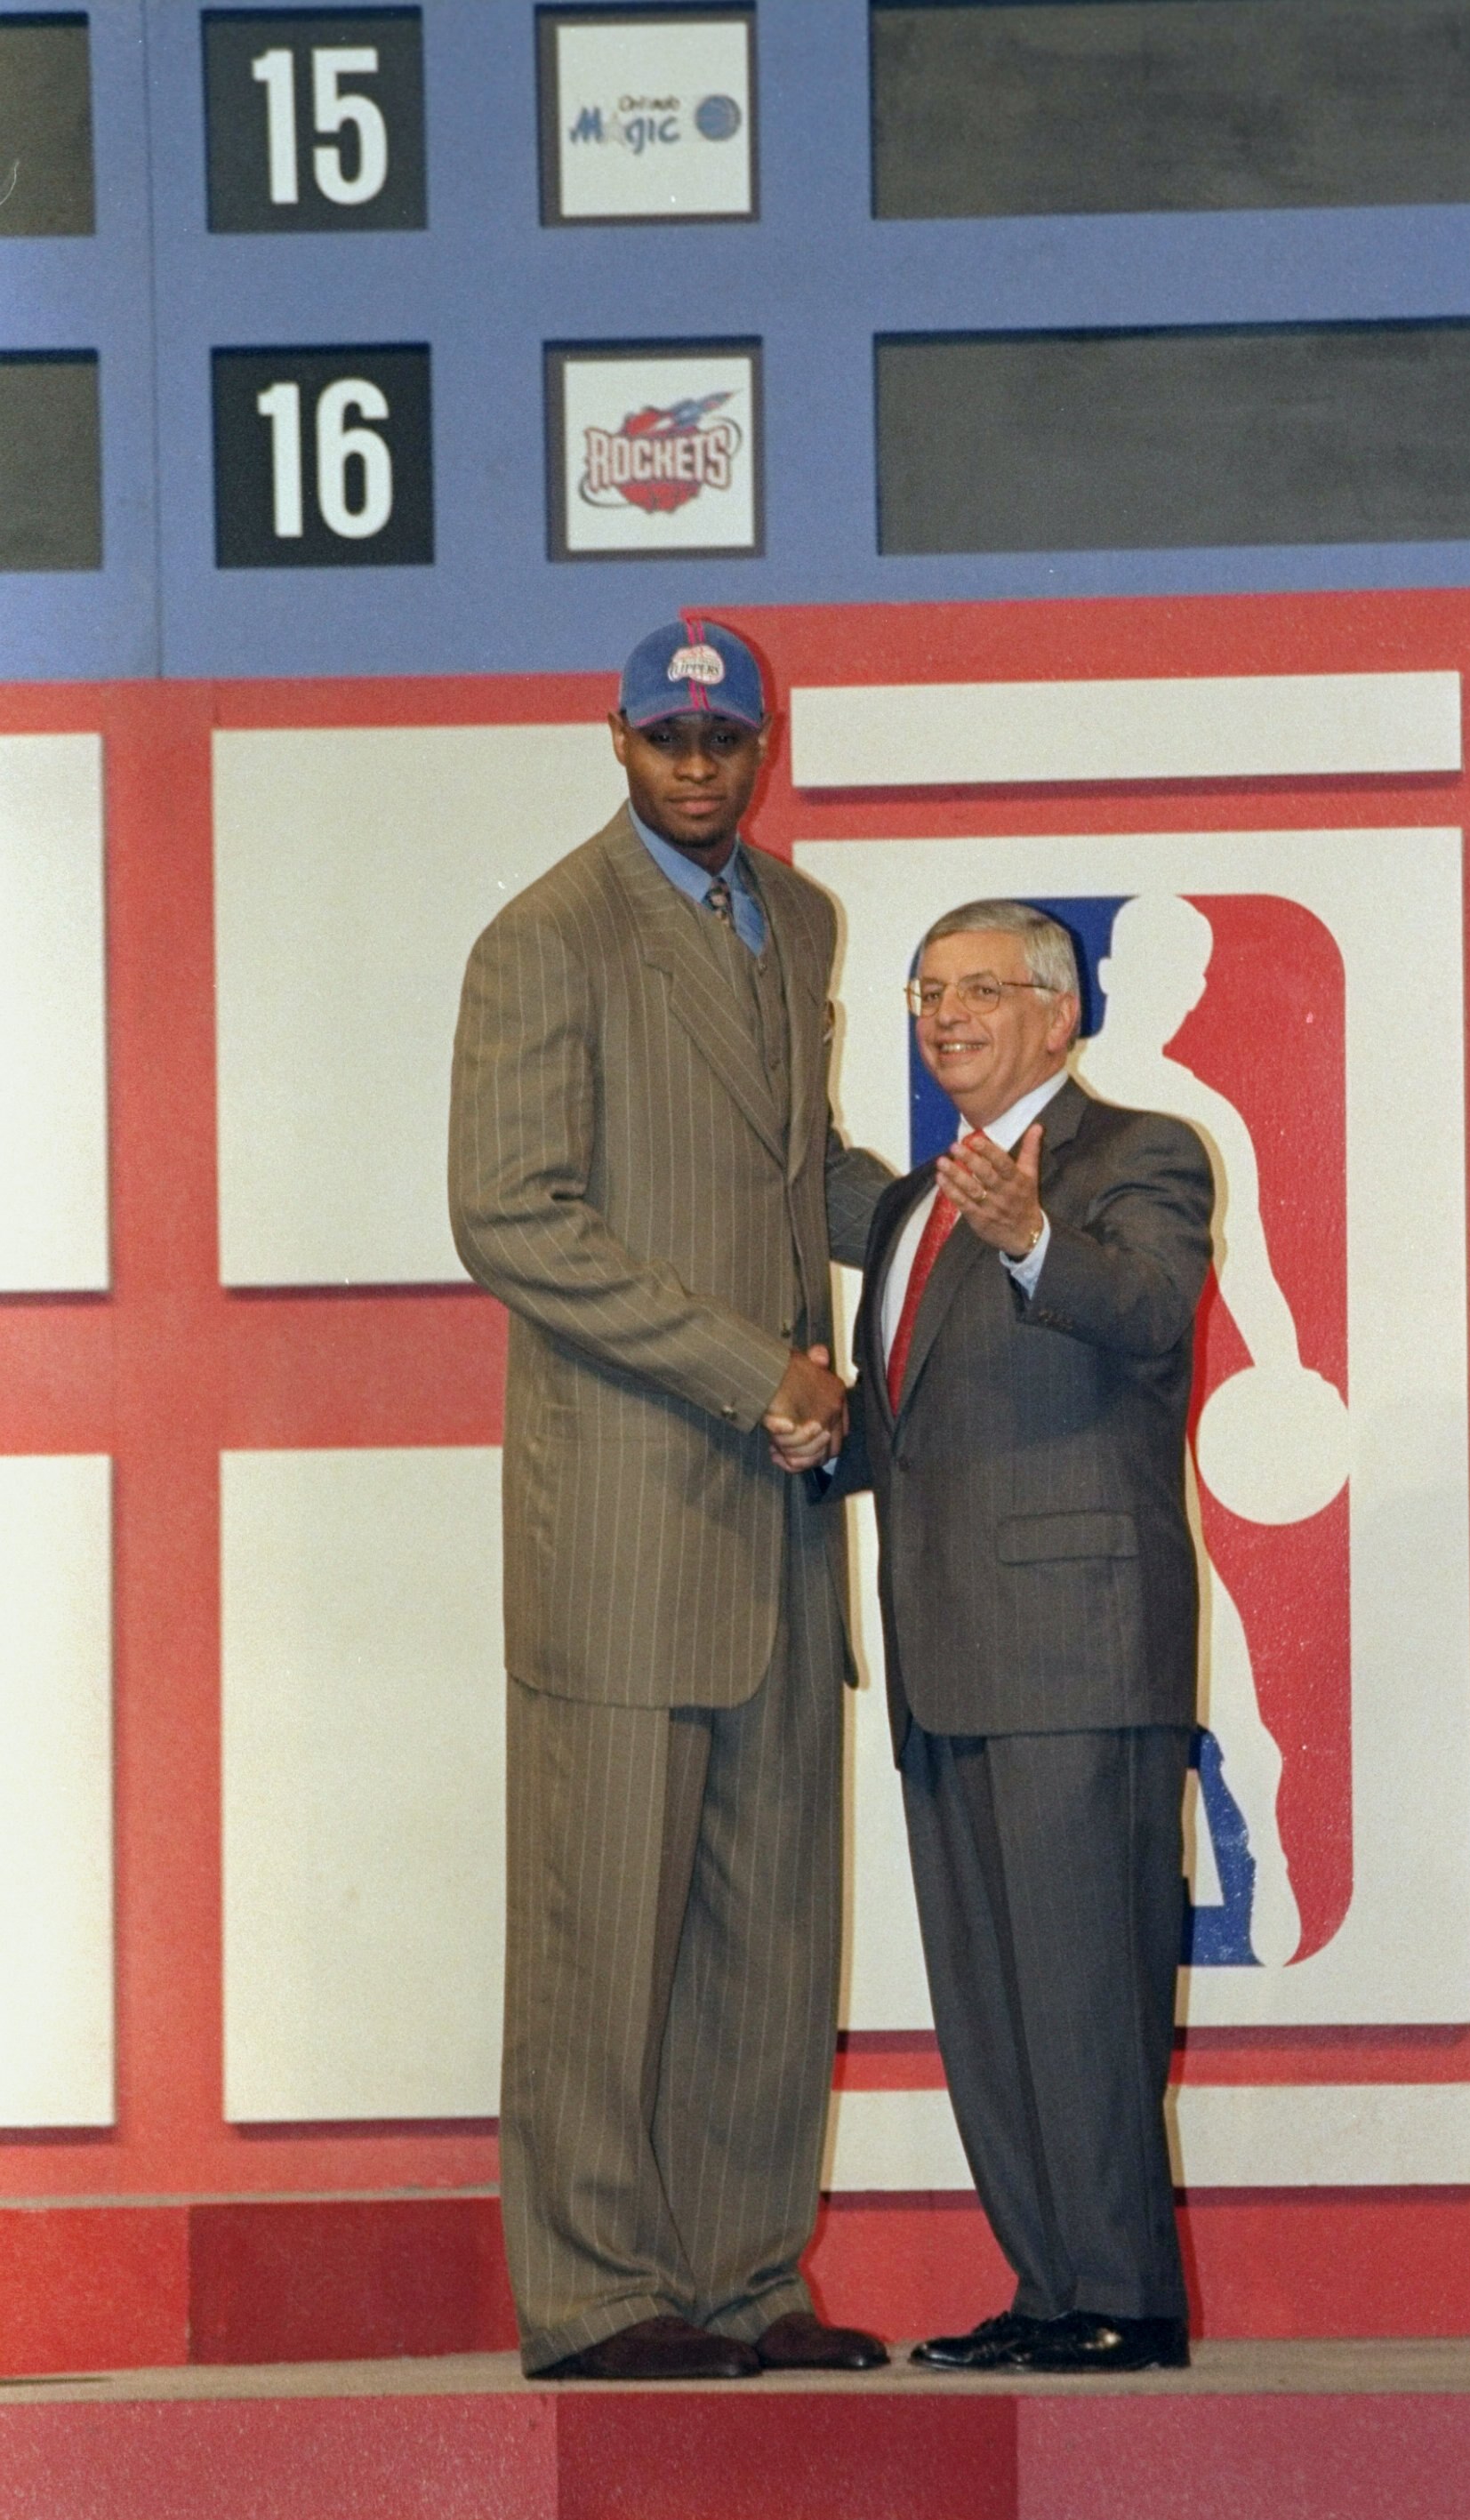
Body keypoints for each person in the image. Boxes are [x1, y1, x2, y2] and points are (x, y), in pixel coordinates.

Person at [449, 615, 895, 2381]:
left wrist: (950, 1222)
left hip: (779, 1520)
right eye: (666, 740)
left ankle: (740, 2280)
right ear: (616, 740)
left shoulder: (798, 918)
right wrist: (748, 1367)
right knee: (599, 1937)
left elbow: (795, 1175)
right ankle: (591, 2298)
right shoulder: (546, 935)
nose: (697, 769)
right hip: (628, 1520)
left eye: (723, 743)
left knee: (770, 1930)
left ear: (763, 745)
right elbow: (511, 1216)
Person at [801, 899, 1214, 2372]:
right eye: (927, 992)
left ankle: (1125, 2299)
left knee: (1085, 1986)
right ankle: (1050, 2290)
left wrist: (1033, 1238)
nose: (946, 1015)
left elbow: (1150, 1311)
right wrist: (823, 1436)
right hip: (945, 1656)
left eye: (981, 988)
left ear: (1060, 1009)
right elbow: (920, 1423)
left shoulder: (1136, 1154)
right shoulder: (912, 1208)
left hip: (1074, 1649)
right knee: (989, 2003)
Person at [1081, 894, 1348, 1970]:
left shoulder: (1198, 1115)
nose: (1175, 997)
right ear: (1108, 977)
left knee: (1216, 1669)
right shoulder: (1039, 1096)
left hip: (1146, 1452)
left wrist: (1285, 1377)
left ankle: (1265, 1862)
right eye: (1155, 973)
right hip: (1034, 1453)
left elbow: (1249, 1275)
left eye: (1186, 980)